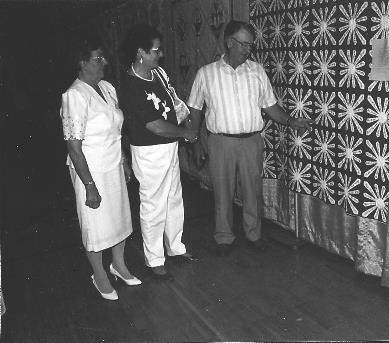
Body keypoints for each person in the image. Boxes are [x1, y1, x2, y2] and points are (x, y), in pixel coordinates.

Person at [187, 20, 313, 256]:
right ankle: (224, 237)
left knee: (252, 191)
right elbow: (194, 108)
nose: (248, 49)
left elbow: (270, 105)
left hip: (252, 141)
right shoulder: (207, 73)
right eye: (244, 44)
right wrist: (194, 141)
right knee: (222, 191)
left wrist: (290, 121)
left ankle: (253, 233)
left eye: (250, 45)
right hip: (220, 141)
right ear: (229, 42)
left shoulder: (256, 71)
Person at [60, 35, 141, 301]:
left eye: (103, 57)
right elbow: (74, 146)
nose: (104, 62)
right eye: (98, 58)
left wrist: (124, 161)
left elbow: (117, 131)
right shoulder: (74, 95)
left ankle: (118, 265)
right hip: (90, 171)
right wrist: (89, 186)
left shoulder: (107, 87)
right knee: (94, 224)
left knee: (119, 217)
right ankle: (99, 274)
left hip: (113, 165)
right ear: (82, 63)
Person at [120, 24, 198, 281]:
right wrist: (185, 134)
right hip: (149, 152)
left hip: (169, 146)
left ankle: (175, 247)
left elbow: (174, 103)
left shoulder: (159, 73)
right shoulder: (131, 84)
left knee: (174, 198)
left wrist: (186, 124)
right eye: (156, 50)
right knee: (153, 204)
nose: (160, 54)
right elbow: (154, 125)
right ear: (140, 51)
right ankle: (154, 259)